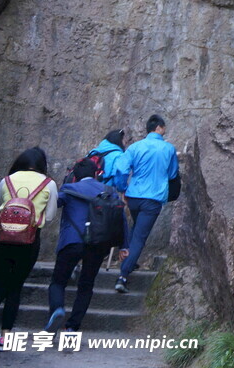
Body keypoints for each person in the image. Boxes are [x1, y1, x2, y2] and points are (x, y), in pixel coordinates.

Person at [45, 159, 130, 333]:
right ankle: (72, 327)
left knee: (58, 282)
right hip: (98, 244)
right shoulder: (109, 191)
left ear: (75, 175)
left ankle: (57, 309)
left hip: (72, 241)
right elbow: (120, 218)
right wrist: (124, 246)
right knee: (86, 285)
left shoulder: (69, 189)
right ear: (96, 173)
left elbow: (53, 204)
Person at [0, 148, 58, 350]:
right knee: (15, 288)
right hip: (29, 242)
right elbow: (50, 216)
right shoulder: (49, 184)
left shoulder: (7, 181)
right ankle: (4, 338)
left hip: (1, 239)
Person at [113, 114, 178, 293]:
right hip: (153, 198)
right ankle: (123, 276)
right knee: (139, 237)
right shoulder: (168, 149)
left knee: (136, 229)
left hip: (134, 196)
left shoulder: (135, 147)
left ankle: (130, 261)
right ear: (158, 128)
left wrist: (122, 188)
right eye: (163, 128)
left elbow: (121, 168)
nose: (164, 131)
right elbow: (172, 174)